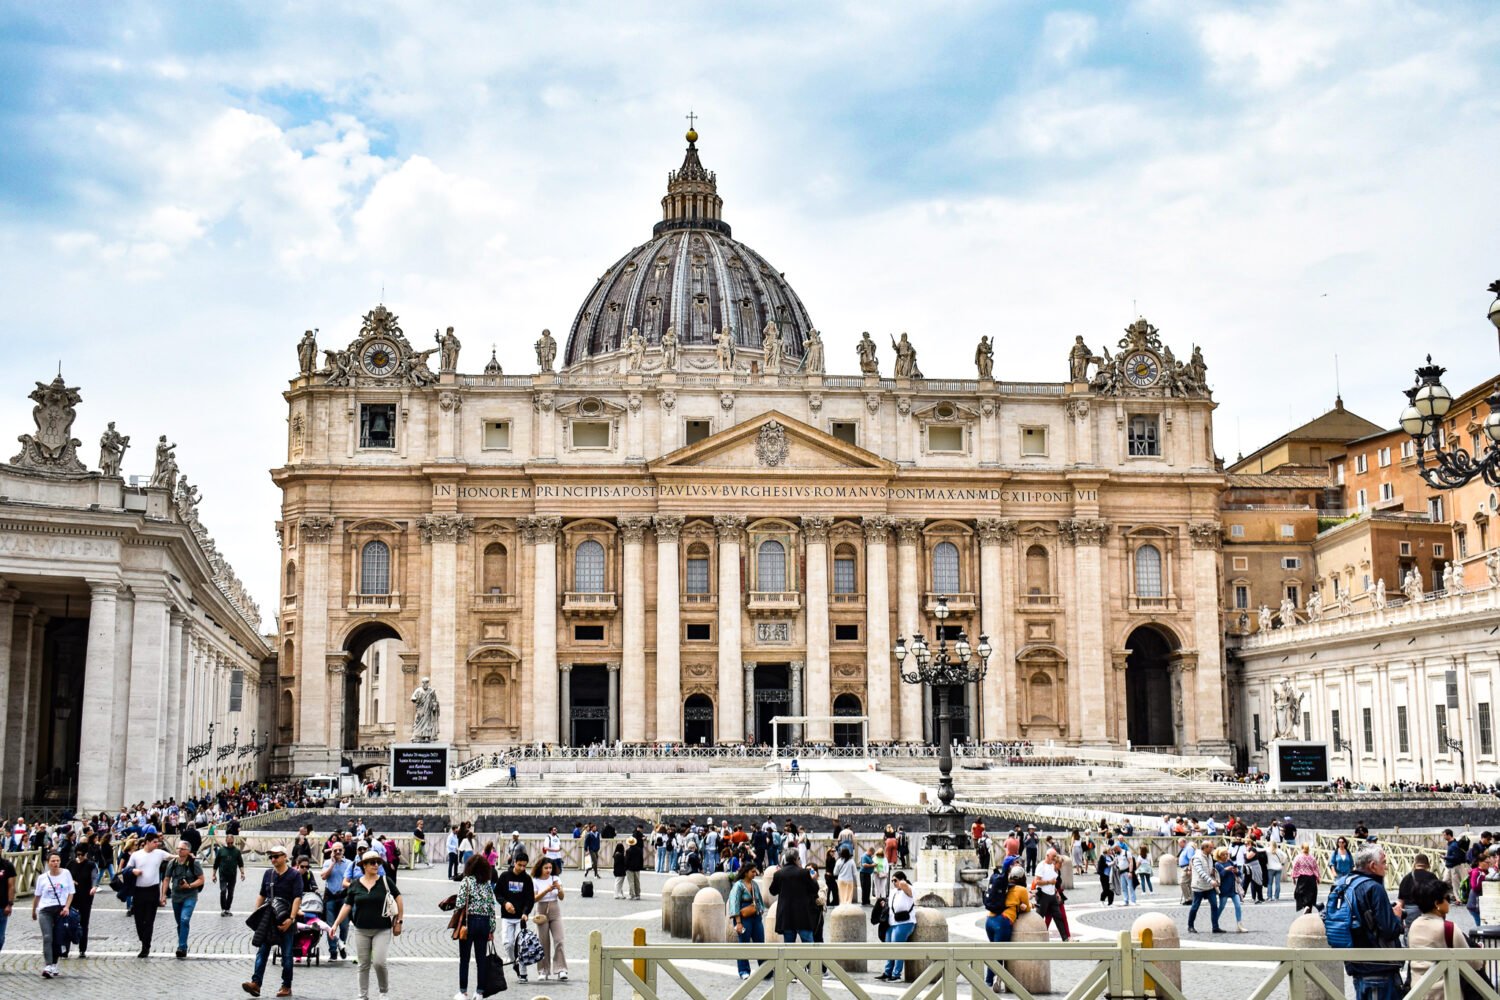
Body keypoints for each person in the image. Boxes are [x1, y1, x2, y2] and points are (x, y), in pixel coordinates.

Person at [1330, 843, 1406, 1000]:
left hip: (1356, 964)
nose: (1386, 867)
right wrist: (1397, 916)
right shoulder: (1374, 888)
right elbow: (1389, 930)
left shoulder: (1344, 883)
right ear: (1372, 865)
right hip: (1379, 968)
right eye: (1384, 862)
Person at [332, 850, 403, 1000]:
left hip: (382, 929)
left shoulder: (385, 881)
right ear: (364, 865)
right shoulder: (355, 884)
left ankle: (383, 992)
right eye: (372, 862)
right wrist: (336, 924)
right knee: (363, 964)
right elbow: (347, 905)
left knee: (379, 962)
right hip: (361, 930)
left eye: (377, 862)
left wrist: (399, 921)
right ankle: (362, 996)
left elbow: (398, 898)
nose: (375, 865)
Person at [243, 844, 303, 998]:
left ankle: (286, 986)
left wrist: (291, 918)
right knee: (262, 952)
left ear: (285, 857)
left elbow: (297, 898)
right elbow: (262, 895)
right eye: (271, 857)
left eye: (276, 856)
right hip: (269, 919)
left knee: (287, 956)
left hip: (286, 919)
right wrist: (256, 914)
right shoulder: (268, 874)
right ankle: (256, 984)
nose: (273, 859)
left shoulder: (295, 875)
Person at [1408, 879, 1483, 1000]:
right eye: (1447, 898)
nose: (1449, 902)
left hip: (1418, 991)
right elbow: (1473, 963)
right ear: (1437, 903)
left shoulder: (1414, 925)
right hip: (1445, 993)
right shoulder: (1448, 928)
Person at [455, 853, 497, 1000]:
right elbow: (492, 907)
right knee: (481, 960)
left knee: (464, 959)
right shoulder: (487, 885)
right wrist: (492, 929)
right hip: (484, 923)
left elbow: (460, 904)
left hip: (469, 922)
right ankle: (479, 992)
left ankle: (463, 991)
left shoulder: (466, 881)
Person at [127, 831, 171, 956]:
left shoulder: (159, 853)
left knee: (149, 920)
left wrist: (186, 855)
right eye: (155, 842)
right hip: (139, 891)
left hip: (153, 890)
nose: (157, 844)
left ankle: (146, 946)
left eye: (158, 842)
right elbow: (128, 869)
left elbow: (173, 857)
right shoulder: (136, 855)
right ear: (147, 842)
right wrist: (133, 871)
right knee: (139, 920)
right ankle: (143, 939)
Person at [32, 851, 74, 979]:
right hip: (45, 910)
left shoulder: (66, 873)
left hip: (60, 910)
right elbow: (37, 895)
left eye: (57, 861)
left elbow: (71, 892)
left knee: (58, 938)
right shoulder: (42, 878)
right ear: (48, 863)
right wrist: (34, 910)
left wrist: (67, 907)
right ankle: (48, 965)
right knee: (47, 936)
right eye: (53, 861)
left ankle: (54, 964)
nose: (55, 863)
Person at [496, 851, 536, 984]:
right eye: (520, 865)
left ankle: (523, 973)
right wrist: (505, 903)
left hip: (521, 918)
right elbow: (498, 893)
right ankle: (515, 963)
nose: (522, 868)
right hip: (506, 916)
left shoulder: (527, 879)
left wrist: (526, 913)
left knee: (521, 946)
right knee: (507, 943)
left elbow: (530, 899)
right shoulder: (504, 876)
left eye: (525, 866)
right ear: (514, 863)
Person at [164, 838, 206, 958]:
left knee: (184, 920)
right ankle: (182, 945)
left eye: (182, 849)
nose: (179, 851)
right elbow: (166, 879)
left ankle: (182, 947)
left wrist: (189, 885)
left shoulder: (194, 863)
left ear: (188, 851)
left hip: (190, 896)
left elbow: (201, 879)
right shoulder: (172, 863)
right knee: (179, 923)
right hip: (176, 896)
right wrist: (163, 895)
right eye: (178, 848)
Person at [876, 871, 917, 982]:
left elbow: (904, 885)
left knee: (897, 948)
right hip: (892, 923)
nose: (894, 882)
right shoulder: (894, 891)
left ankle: (896, 974)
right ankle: (887, 972)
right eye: (892, 880)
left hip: (905, 923)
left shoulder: (909, 889)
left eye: (895, 880)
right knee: (889, 948)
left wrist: (902, 882)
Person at [532, 857, 568, 980]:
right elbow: (534, 899)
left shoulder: (556, 878)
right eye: (546, 868)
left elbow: (562, 897)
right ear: (540, 868)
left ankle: (561, 969)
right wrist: (546, 890)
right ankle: (543, 970)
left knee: (559, 939)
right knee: (542, 942)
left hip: (554, 909)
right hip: (541, 910)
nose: (548, 870)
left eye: (550, 868)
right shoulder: (535, 880)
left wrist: (559, 889)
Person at [728, 863, 767, 980]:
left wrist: (760, 911)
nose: (755, 874)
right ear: (746, 872)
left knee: (760, 941)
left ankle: (765, 969)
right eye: (753, 872)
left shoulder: (754, 884)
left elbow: (760, 900)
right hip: (743, 918)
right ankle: (743, 970)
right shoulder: (738, 886)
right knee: (744, 943)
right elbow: (734, 904)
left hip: (755, 916)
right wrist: (738, 923)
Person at [321, 841, 357, 960]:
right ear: (331, 851)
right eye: (335, 850)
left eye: (339, 850)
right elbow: (324, 876)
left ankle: (342, 944)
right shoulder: (327, 862)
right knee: (330, 926)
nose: (337, 852)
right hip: (330, 896)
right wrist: (332, 864)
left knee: (344, 925)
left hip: (344, 897)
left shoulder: (349, 864)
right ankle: (333, 951)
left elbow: (354, 878)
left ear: (343, 851)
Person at [64, 845, 97, 959]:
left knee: (84, 924)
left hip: (86, 898)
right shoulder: (71, 864)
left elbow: (94, 877)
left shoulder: (91, 865)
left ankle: (82, 949)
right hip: (71, 898)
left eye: (82, 855)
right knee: (67, 923)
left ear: (86, 854)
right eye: (77, 855)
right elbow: (64, 876)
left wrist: (94, 887)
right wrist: (70, 881)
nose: (79, 857)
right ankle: (65, 950)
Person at [1398, 854, 1443, 932]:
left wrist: (1400, 921)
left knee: (1411, 934)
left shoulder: (1406, 878)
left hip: (1410, 913)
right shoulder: (1432, 877)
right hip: (1428, 912)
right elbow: (1439, 899)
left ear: (1414, 864)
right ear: (1428, 865)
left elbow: (1400, 902)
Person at [1033, 847, 1070, 940]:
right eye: (1053, 856)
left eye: (1055, 855)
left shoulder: (1053, 865)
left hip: (1052, 895)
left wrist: (1056, 892)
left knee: (1059, 917)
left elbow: (1054, 881)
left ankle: (1065, 938)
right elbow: (1036, 881)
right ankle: (1036, 938)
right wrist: (1049, 882)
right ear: (1047, 856)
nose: (1055, 857)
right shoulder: (1041, 865)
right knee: (1039, 918)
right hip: (1042, 895)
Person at [1187, 839, 1222, 934]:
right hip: (1199, 886)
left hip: (1209, 886)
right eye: (1211, 847)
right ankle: (1190, 926)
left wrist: (1212, 872)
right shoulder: (1197, 857)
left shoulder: (1209, 856)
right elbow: (1200, 871)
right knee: (1195, 906)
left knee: (1214, 906)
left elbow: (1208, 869)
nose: (1213, 849)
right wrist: (1211, 880)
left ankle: (1215, 927)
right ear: (1205, 848)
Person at [1212, 846, 1245, 933]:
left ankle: (1239, 925)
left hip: (1233, 889)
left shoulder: (1230, 861)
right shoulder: (1217, 864)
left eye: (1227, 854)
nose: (1226, 856)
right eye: (1224, 855)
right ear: (1219, 856)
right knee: (1221, 907)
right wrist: (1226, 870)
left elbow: (1239, 873)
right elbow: (1220, 876)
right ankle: (1214, 923)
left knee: (1238, 906)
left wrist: (1236, 871)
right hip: (1224, 890)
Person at [213, 836, 246, 916]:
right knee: (223, 891)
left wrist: (242, 873)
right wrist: (213, 875)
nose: (230, 844)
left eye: (231, 843)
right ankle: (223, 909)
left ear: (233, 841)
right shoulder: (221, 850)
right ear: (226, 841)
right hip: (223, 875)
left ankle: (228, 909)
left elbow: (240, 863)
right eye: (228, 843)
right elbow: (216, 864)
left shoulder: (237, 851)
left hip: (232, 875)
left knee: (230, 893)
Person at [1291, 843, 1320, 912]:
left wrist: (1293, 877)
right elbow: (1316, 868)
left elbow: (1295, 867)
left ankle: (1305, 906)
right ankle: (1308, 909)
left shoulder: (1298, 857)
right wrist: (1318, 878)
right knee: (1311, 894)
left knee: (1299, 893)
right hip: (1311, 878)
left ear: (1301, 848)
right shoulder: (1312, 858)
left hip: (1303, 878)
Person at [624, 836, 644, 900]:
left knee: (631, 882)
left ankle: (632, 894)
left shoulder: (628, 851)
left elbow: (627, 860)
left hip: (630, 868)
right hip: (637, 867)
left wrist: (625, 867)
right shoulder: (639, 850)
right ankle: (638, 894)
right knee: (637, 881)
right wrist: (641, 866)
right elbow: (641, 859)